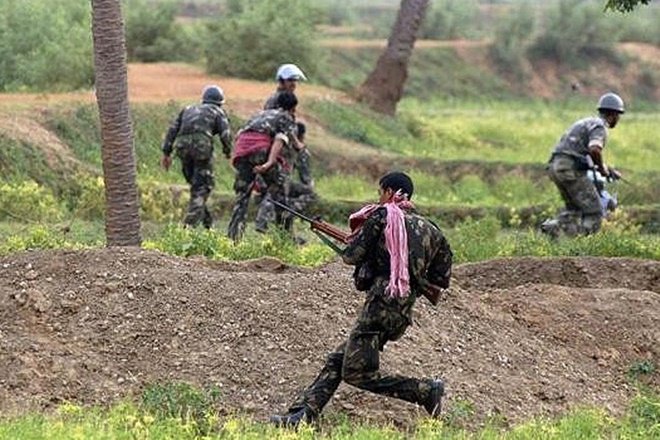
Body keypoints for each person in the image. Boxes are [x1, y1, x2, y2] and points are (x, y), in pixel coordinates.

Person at [270, 171, 453, 428]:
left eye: (380, 192)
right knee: (339, 359)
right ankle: (303, 415)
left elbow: (352, 255)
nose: (379, 198)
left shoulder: (383, 215)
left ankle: (424, 390)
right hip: (401, 309)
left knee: (357, 374)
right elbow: (442, 277)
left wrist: (358, 247)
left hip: (379, 304)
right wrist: (413, 277)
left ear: (389, 192)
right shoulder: (431, 228)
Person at [540, 92, 624, 238]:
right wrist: (603, 170)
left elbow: (581, 153)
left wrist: (606, 168)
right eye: (618, 115)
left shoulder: (585, 122)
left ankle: (552, 229)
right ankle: (579, 247)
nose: (618, 119)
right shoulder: (600, 127)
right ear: (613, 114)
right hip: (570, 171)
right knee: (596, 212)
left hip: (555, 167)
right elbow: (594, 150)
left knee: (574, 211)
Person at [226, 91, 300, 242]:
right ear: (293, 108)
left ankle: (232, 239)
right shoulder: (286, 117)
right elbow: (280, 140)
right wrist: (269, 162)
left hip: (242, 151)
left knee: (242, 197)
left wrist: (239, 158)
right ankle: (285, 239)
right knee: (279, 191)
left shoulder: (259, 115)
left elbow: (240, 135)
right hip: (260, 151)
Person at [161, 85, 232, 229]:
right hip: (201, 149)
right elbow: (226, 135)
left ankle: (208, 225)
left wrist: (166, 153)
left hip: (182, 149)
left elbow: (172, 130)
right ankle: (187, 228)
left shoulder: (187, 109)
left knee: (196, 187)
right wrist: (228, 152)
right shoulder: (218, 111)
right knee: (203, 188)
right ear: (219, 102)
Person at [254, 122, 317, 235]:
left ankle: (284, 233)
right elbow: (305, 177)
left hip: (262, 183)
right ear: (301, 136)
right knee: (310, 194)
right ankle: (288, 211)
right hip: (279, 184)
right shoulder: (298, 149)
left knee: (279, 191)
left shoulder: (275, 143)